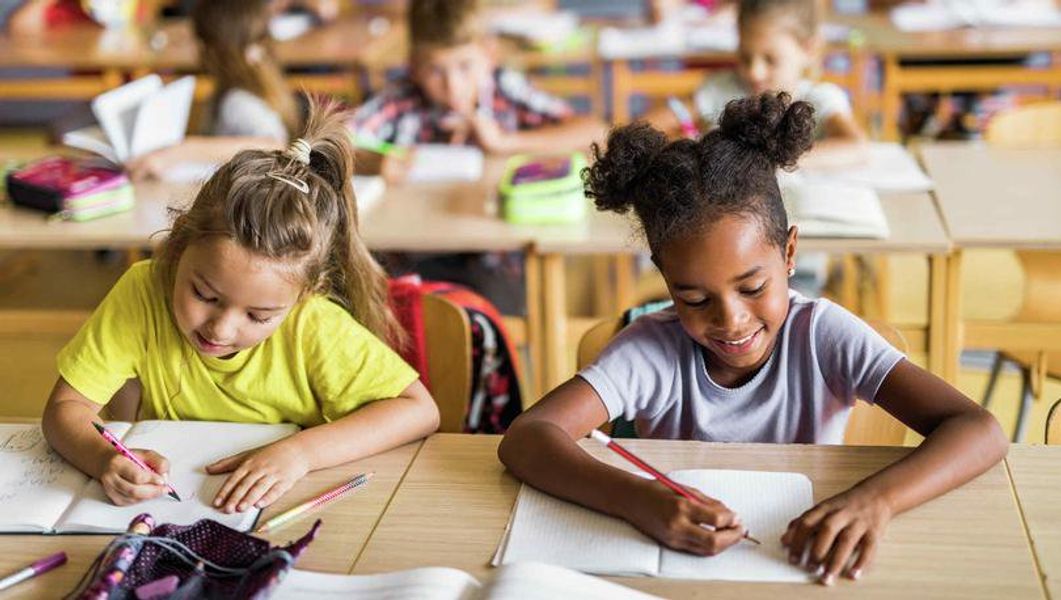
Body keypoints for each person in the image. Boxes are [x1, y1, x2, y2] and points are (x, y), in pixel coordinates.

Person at [498, 93, 1007, 585]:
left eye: (753, 287)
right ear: (664, 276)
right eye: (694, 299)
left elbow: (978, 429)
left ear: (789, 255)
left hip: (797, 565)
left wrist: (875, 501)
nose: (731, 320)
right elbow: (528, 437)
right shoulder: (651, 349)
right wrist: (639, 498)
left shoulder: (821, 334)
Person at [43, 98, 440, 514]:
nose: (221, 329)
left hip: (289, 509)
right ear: (177, 247)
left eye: (258, 316)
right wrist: (105, 457)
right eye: (205, 296)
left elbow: (419, 411)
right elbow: (65, 410)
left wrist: (299, 454)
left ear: (305, 293)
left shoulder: (313, 324)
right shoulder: (143, 291)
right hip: (169, 511)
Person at [350, 0, 605, 182]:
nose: (452, 86)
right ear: (414, 67)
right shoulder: (401, 99)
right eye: (436, 71)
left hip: (497, 248)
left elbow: (596, 132)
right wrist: (372, 162)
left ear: (489, 56)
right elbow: (324, 145)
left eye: (465, 66)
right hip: (414, 252)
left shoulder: (504, 88)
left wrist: (505, 142)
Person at [649, 0, 867, 168]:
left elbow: (857, 147)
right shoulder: (720, 89)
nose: (754, 72)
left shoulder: (821, 98)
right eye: (745, 57)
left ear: (808, 49)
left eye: (770, 60)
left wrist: (769, 161)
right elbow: (649, 127)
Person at [127, 0, 297, 179]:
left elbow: (274, 146)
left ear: (210, 48)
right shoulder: (260, 76)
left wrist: (183, 150)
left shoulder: (238, 101)